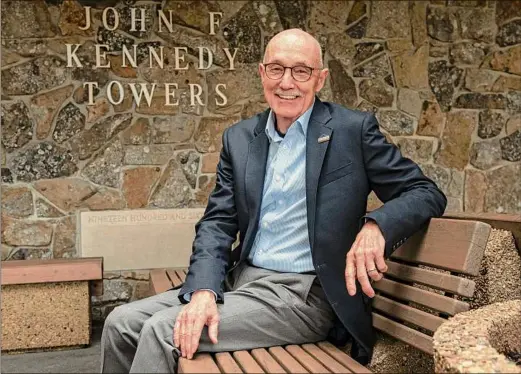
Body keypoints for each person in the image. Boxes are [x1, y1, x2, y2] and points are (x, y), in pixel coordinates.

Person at [100, 28, 447, 373]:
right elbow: (217, 223)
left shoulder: (352, 131)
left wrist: (377, 226)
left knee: (164, 330)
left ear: (320, 79)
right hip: (241, 281)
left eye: (301, 71)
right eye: (277, 69)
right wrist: (204, 289)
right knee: (120, 323)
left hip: (304, 295)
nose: (287, 82)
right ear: (262, 73)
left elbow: (425, 191)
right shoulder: (239, 139)